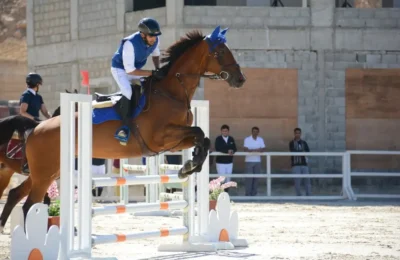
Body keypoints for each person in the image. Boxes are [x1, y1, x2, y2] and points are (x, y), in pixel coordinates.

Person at [110, 17, 166, 145]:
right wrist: (152, 73)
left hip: (136, 70)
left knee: (151, 84)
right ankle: (123, 128)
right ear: (142, 34)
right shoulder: (130, 43)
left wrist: (157, 70)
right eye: (151, 36)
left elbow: (156, 54)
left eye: (155, 36)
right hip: (120, 70)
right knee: (128, 91)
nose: (154, 38)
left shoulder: (155, 40)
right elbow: (130, 71)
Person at [19, 72, 51, 173]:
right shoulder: (26, 95)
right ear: (37, 84)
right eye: (39, 85)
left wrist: (52, 118)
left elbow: (45, 112)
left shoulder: (38, 97)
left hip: (36, 122)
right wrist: (34, 118)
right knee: (30, 137)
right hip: (26, 123)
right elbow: (22, 112)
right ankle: (26, 164)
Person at [289, 127, 311, 196]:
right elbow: (293, 151)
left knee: (307, 180)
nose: (297, 134)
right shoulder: (291, 143)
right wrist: (302, 152)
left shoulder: (304, 142)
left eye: (299, 133)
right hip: (295, 164)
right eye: (296, 133)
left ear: (300, 134)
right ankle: (298, 195)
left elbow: (308, 151)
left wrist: (301, 152)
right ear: (294, 134)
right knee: (297, 181)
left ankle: (308, 194)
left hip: (304, 164)